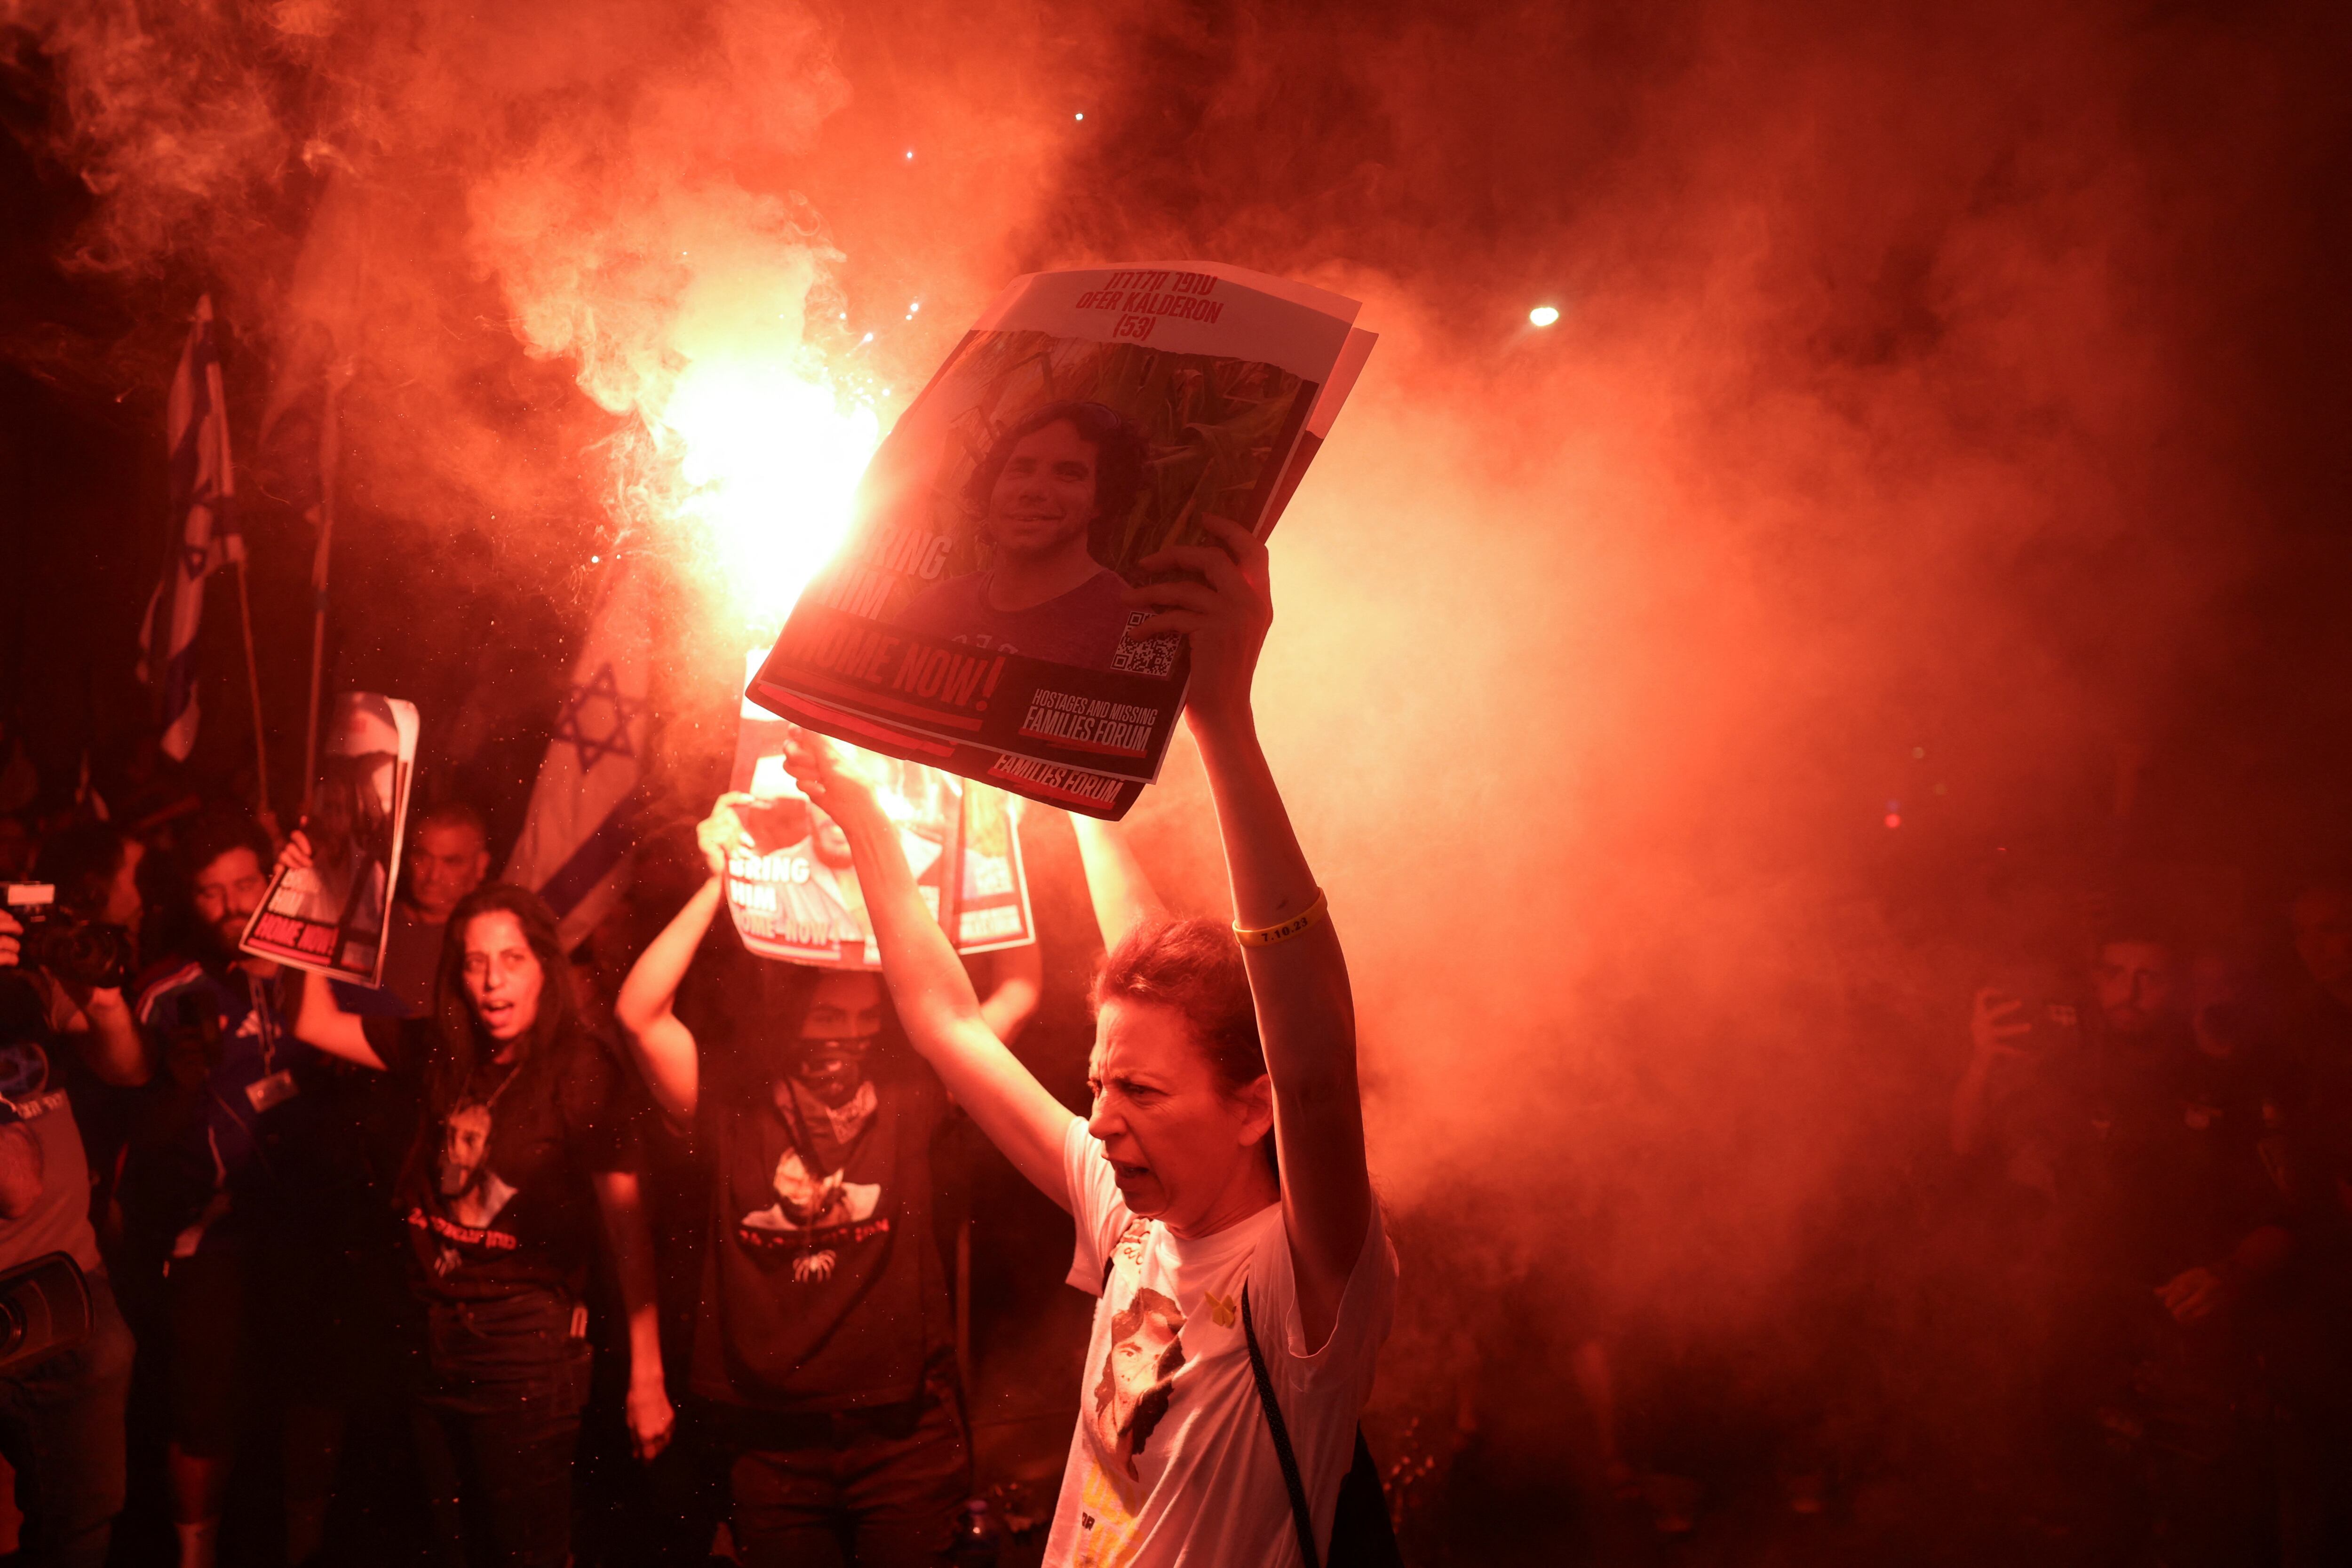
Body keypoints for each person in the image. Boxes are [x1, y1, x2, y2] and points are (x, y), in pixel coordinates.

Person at [789, 512, 1397, 1566]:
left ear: (1253, 1106)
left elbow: (1312, 1065)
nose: (1102, 1123)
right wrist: (871, 817)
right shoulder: (1131, 1219)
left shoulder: (1301, 1277)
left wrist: (1222, 723)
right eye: (1097, 1085)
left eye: (1143, 1094)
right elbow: (947, 1020)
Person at [610, 791, 1043, 1567]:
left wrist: (994, 851)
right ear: (788, 1020)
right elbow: (640, 1012)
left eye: (865, 1021)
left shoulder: (912, 1092)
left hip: (903, 1435)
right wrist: (721, 878)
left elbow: (1017, 991)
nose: (847, 1038)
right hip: (770, 1441)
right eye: (827, 1020)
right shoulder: (730, 1098)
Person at [280, 857, 671, 1568]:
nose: (493, 981)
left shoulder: (582, 1071)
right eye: (476, 962)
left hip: (525, 1347)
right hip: (431, 1333)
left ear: (545, 967)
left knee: (528, 1554)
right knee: (455, 1550)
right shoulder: (440, 1047)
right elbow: (310, 1018)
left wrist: (647, 1376)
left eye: (512, 960)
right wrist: (303, 895)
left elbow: (627, 1230)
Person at [127, 809, 333, 1568]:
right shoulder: (165, 990)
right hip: (212, 1236)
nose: (232, 905)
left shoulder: (317, 964)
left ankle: (309, 1546)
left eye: (246, 883)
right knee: (205, 1415)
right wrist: (178, 1084)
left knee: (313, 1392)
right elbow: (142, 1138)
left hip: (308, 1223)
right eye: (210, 892)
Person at [0, 878, 141, 1568]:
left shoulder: (25, 985)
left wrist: (102, 992)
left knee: (83, 1520)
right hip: (14, 1291)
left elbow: (127, 1066)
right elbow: (16, 1186)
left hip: (72, 1279)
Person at [893, 401, 1149, 670]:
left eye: (1068, 474)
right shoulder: (934, 606)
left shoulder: (1135, 632)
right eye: (1021, 470)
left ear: (1102, 500)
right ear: (993, 487)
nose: (1034, 490)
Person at [369, 803, 493, 1017]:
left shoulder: (490, 940)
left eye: (452, 862)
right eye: (422, 858)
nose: (433, 876)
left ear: (481, 866)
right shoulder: (371, 921)